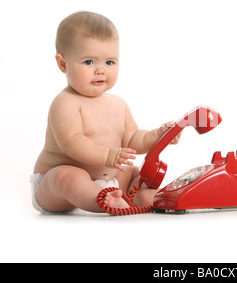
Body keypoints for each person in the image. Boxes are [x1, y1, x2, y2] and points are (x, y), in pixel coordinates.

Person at [31, 11, 180, 214]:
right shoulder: (65, 103)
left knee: (136, 172)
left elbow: (133, 140)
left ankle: (143, 196)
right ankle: (102, 201)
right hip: (54, 189)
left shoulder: (119, 104)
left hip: (110, 182)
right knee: (67, 176)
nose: (100, 70)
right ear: (63, 64)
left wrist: (157, 136)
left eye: (109, 62)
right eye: (89, 62)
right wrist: (108, 156)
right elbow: (72, 143)